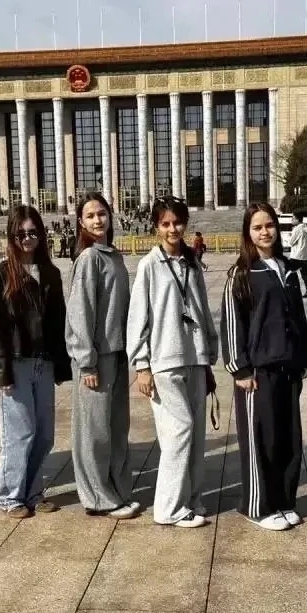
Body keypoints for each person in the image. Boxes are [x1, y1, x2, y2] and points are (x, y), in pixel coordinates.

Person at [128, 197, 218, 528]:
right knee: (179, 431)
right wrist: (142, 364)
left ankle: (191, 499)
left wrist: (209, 351)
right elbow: (138, 317)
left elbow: (202, 308)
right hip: (164, 360)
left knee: (195, 435)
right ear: (156, 227)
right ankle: (168, 507)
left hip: (194, 356)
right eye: (165, 223)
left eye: (177, 222)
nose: (172, 229)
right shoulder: (150, 265)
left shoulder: (192, 262)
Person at [220, 202, 307, 531]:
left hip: (288, 368)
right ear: (248, 233)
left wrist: (304, 357)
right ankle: (257, 506)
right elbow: (233, 323)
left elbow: (298, 317)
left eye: (269, 225)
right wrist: (239, 368)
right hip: (258, 373)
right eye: (257, 227)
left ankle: (284, 500)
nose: (264, 232)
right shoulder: (242, 273)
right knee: (261, 441)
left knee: (288, 438)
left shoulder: (287, 268)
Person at [0, 206, 71, 518]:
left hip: (43, 363)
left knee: (44, 435)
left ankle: (34, 492)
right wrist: (0, 371)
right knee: (19, 434)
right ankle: (10, 497)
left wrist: (61, 365)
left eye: (33, 232)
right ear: (11, 236)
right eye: (20, 233)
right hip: (17, 362)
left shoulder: (50, 273)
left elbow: (58, 322)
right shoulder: (2, 274)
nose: (27, 238)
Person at [66, 192, 139, 519]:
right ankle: (98, 497)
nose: (98, 220)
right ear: (81, 222)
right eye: (90, 215)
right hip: (96, 358)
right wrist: (87, 362)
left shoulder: (113, 256)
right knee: (94, 432)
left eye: (102, 213)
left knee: (116, 428)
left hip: (117, 353)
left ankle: (118, 490)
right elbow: (80, 313)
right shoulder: (89, 259)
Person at [289, 211, 307, 296]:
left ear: (297, 219)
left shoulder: (297, 229)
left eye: (293, 218)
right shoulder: (306, 227)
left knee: (288, 272)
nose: (291, 220)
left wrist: (290, 236)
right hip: (304, 256)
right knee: (304, 275)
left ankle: (291, 291)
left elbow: (291, 242)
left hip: (296, 256)